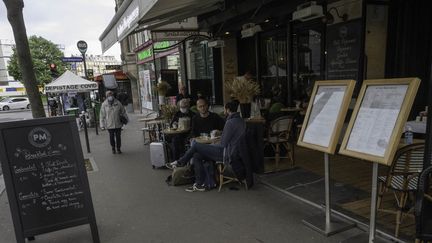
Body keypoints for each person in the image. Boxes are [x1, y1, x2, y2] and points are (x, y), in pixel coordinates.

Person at [167, 100, 245, 192]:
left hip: (225, 153)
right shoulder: (240, 121)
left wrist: (216, 139)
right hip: (230, 150)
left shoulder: (230, 122)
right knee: (196, 155)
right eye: (200, 106)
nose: (203, 108)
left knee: (196, 146)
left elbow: (223, 143)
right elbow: (229, 138)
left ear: (227, 110)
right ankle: (199, 183)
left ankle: (180, 162)